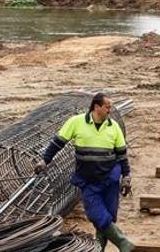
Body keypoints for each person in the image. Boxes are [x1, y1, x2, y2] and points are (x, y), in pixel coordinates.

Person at [35, 93, 134, 252]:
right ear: (97, 107)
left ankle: (99, 248)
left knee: (109, 216)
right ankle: (122, 242)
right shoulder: (76, 122)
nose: (110, 110)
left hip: (110, 178)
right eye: (107, 107)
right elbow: (57, 143)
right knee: (96, 214)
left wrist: (126, 176)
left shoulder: (113, 126)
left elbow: (122, 154)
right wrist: (45, 160)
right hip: (88, 179)